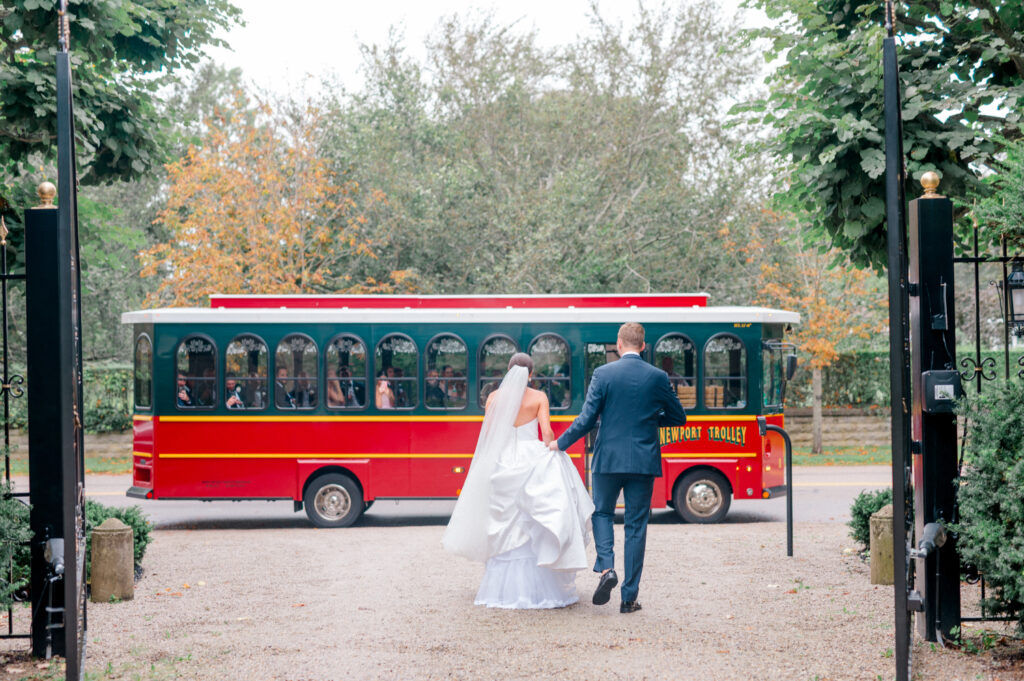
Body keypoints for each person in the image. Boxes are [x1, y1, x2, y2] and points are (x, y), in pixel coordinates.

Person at [551, 322, 686, 614]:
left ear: (619, 344)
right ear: (644, 345)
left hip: (608, 459)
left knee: (601, 512)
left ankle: (607, 570)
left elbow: (586, 419)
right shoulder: (658, 376)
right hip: (643, 460)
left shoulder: (603, 374)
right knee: (636, 525)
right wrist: (650, 419)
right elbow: (678, 418)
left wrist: (559, 443)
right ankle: (629, 599)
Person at [443, 353, 594, 609]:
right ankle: (541, 587)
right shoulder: (539, 397)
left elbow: (490, 434)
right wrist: (553, 448)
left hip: (501, 460)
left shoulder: (493, 398)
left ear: (509, 372)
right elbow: (546, 433)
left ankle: (502, 590)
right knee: (532, 522)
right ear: (531, 374)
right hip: (530, 456)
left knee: (505, 525)